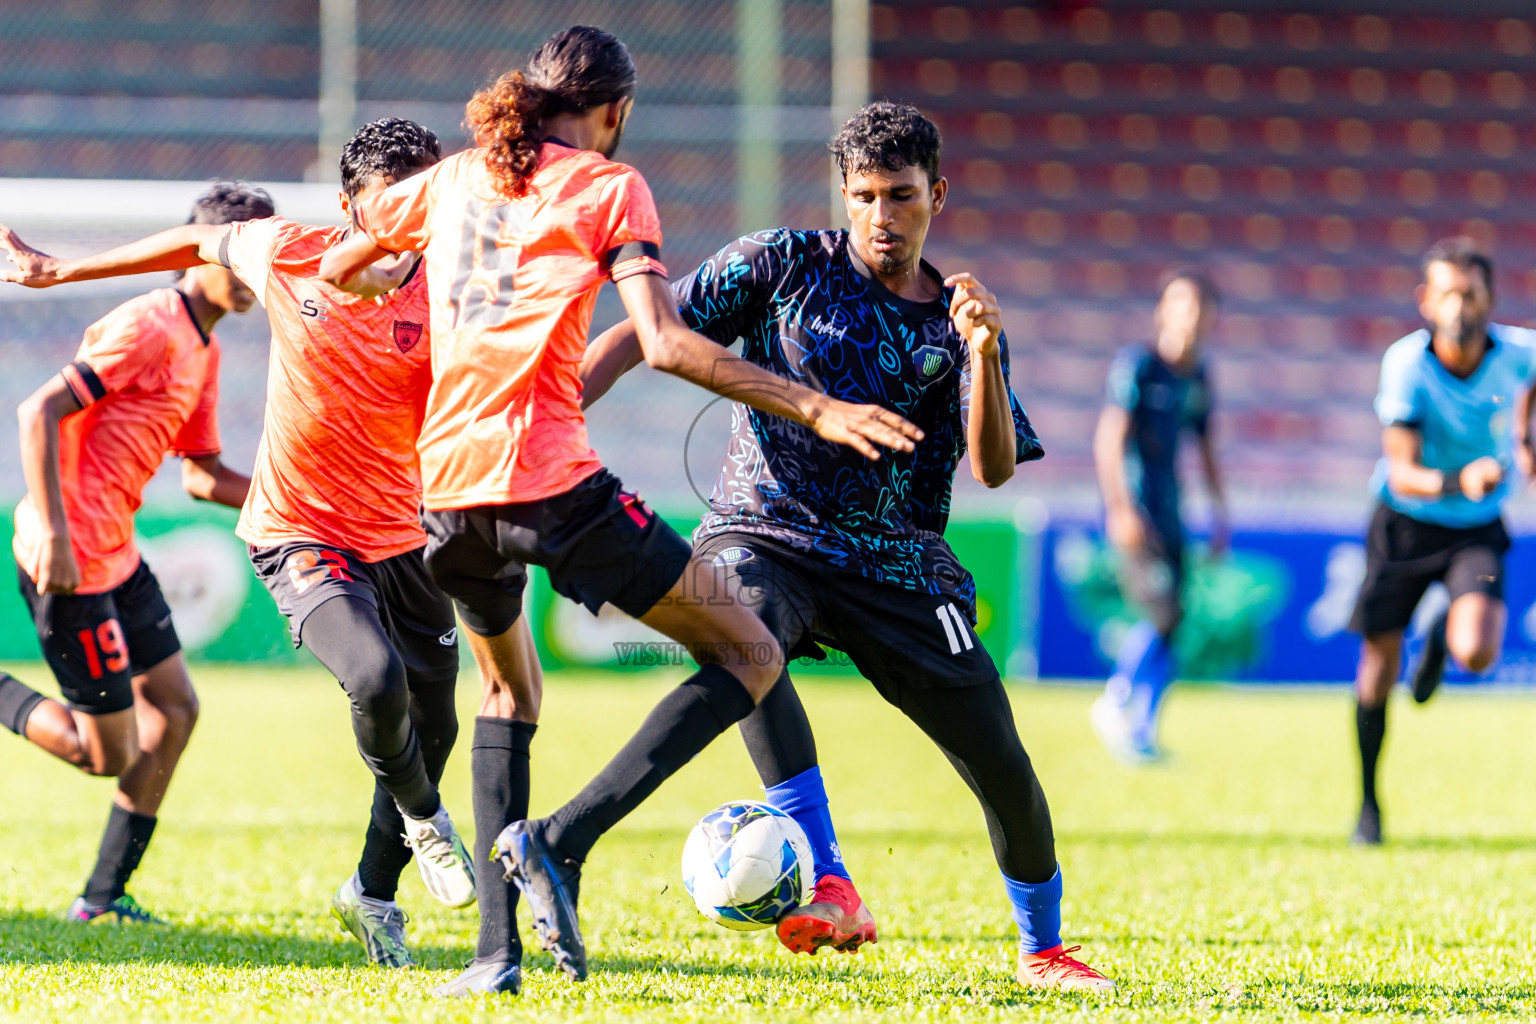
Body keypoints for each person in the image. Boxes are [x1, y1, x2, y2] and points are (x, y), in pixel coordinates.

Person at [318, 27, 922, 992]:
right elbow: (667, 344)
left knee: (508, 694)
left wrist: (393, 272)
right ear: (614, 112)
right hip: (551, 480)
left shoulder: (456, 176)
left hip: (446, 492)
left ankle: (493, 959)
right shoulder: (611, 186)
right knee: (750, 650)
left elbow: (341, 269)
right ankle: (561, 838)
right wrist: (815, 403)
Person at [582, 101, 1114, 993]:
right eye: (863, 195)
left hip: (898, 561)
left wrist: (984, 353)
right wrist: (552, 420)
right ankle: (829, 877)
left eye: (900, 196)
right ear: (843, 193)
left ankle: (1044, 947)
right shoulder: (781, 263)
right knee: (739, 636)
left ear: (935, 196)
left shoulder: (958, 324)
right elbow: (644, 334)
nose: (880, 215)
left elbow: (993, 468)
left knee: (1001, 764)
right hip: (769, 526)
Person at [0, 121, 493, 969]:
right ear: (350, 205)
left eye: (425, 196)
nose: (411, 216)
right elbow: (189, 248)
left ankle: (361, 895)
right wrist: (58, 270)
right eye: (391, 201)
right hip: (265, 538)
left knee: (424, 722)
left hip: (391, 537)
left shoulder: (448, 287)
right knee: (363, 684)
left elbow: (202, 472)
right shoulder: (263, 266)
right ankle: (425, 824)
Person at [0, 182, 265, 923]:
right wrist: (53, 531)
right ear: (200, 250)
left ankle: (103, 896)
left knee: (176, 710)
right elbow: (39, 410)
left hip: (117, 549)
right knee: (106, 753)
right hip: (70, 554)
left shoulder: (202, 347)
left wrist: (310, 503)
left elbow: (204, 475)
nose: (255, 272)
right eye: (241, 255)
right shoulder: (150, 323)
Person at [1348, 237, 1536, 845]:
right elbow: (1400, 470)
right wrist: (1463, 477)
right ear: (1426, 301)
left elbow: (1529, 385)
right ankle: (1369, 804)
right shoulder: (1405, 363)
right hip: (1403, 523)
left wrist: (1526, 436)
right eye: (1448, 293)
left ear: (1490, 299)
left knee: (1477, 650)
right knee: (1377, 669)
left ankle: (1438, 633)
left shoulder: (1517, 354)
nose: (1460, 306)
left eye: (1471, 293)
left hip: (1475, 528)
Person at [1088, 270, 1226, 764]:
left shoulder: (1198, 375)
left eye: (1199, 308)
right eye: (1181, 305)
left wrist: (1219, 513)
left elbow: (1204, 446)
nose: (1190, 318)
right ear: (1163, 312)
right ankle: (1116, 698)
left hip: (1173, 514)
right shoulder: (1139, 365)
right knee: (1162, 611)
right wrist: (1121, 508)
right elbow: (1110, 439)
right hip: (1139, 512)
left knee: (1174, 620)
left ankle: (1141, 730)